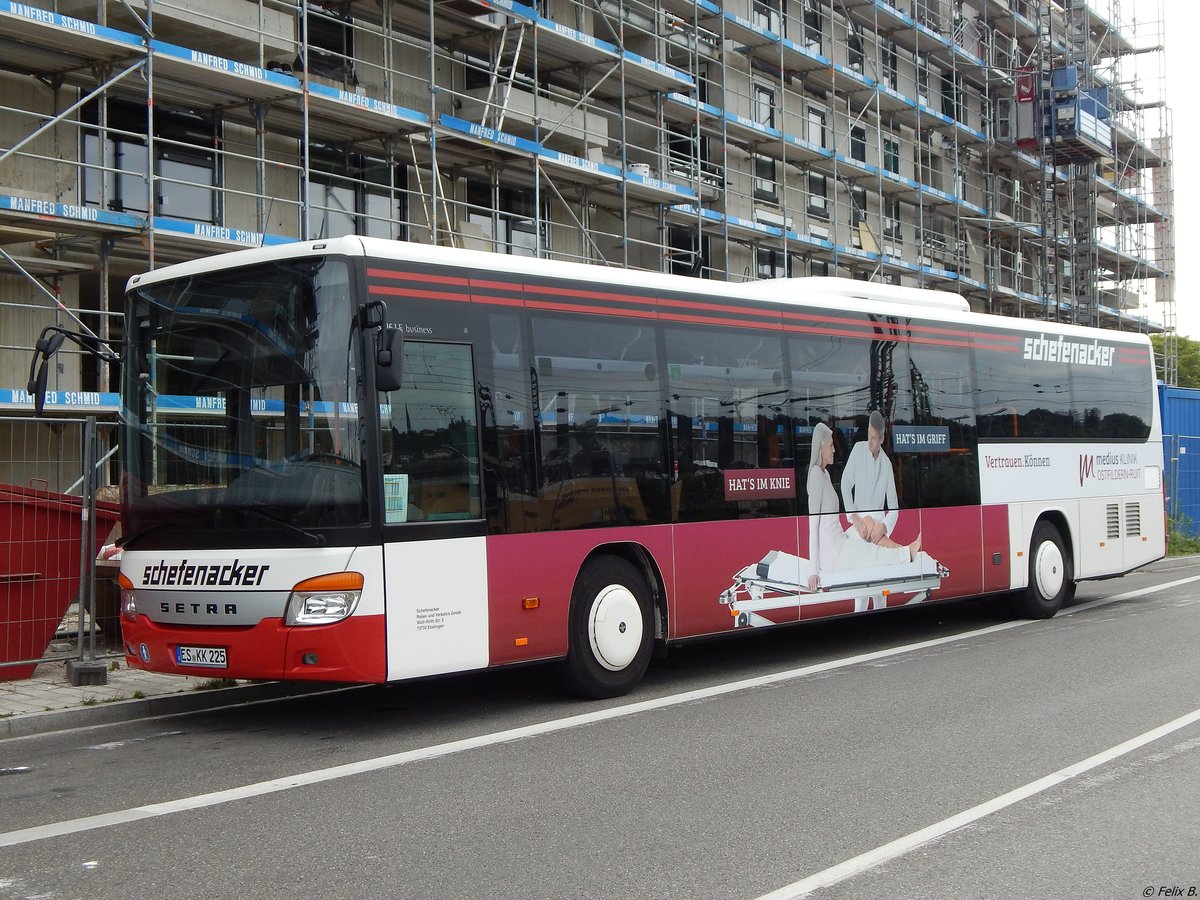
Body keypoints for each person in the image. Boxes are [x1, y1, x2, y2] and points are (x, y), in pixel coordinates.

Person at [806, 422, 920, 592]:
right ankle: (905, 553)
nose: (834, 450)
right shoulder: (815, 475)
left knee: (869, 521)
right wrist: (813, 571)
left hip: (839, 539)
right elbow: (813, 526)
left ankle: (903, 550)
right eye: (830, 445)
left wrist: (857, 519)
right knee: (870, 552)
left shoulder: (825, 474)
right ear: (821, 448)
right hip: (833, 554)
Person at [840, 410, 898, 545]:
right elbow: (845, 483)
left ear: (881, 439)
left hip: (877, 527)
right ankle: (908, 552)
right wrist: (853, 516)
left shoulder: (887, 464)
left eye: (873, 438)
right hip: (859, 524)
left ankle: (908, 553)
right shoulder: (858, 449)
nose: (869, 441)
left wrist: (883, 527)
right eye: (868, 435)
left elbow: (894, 507)